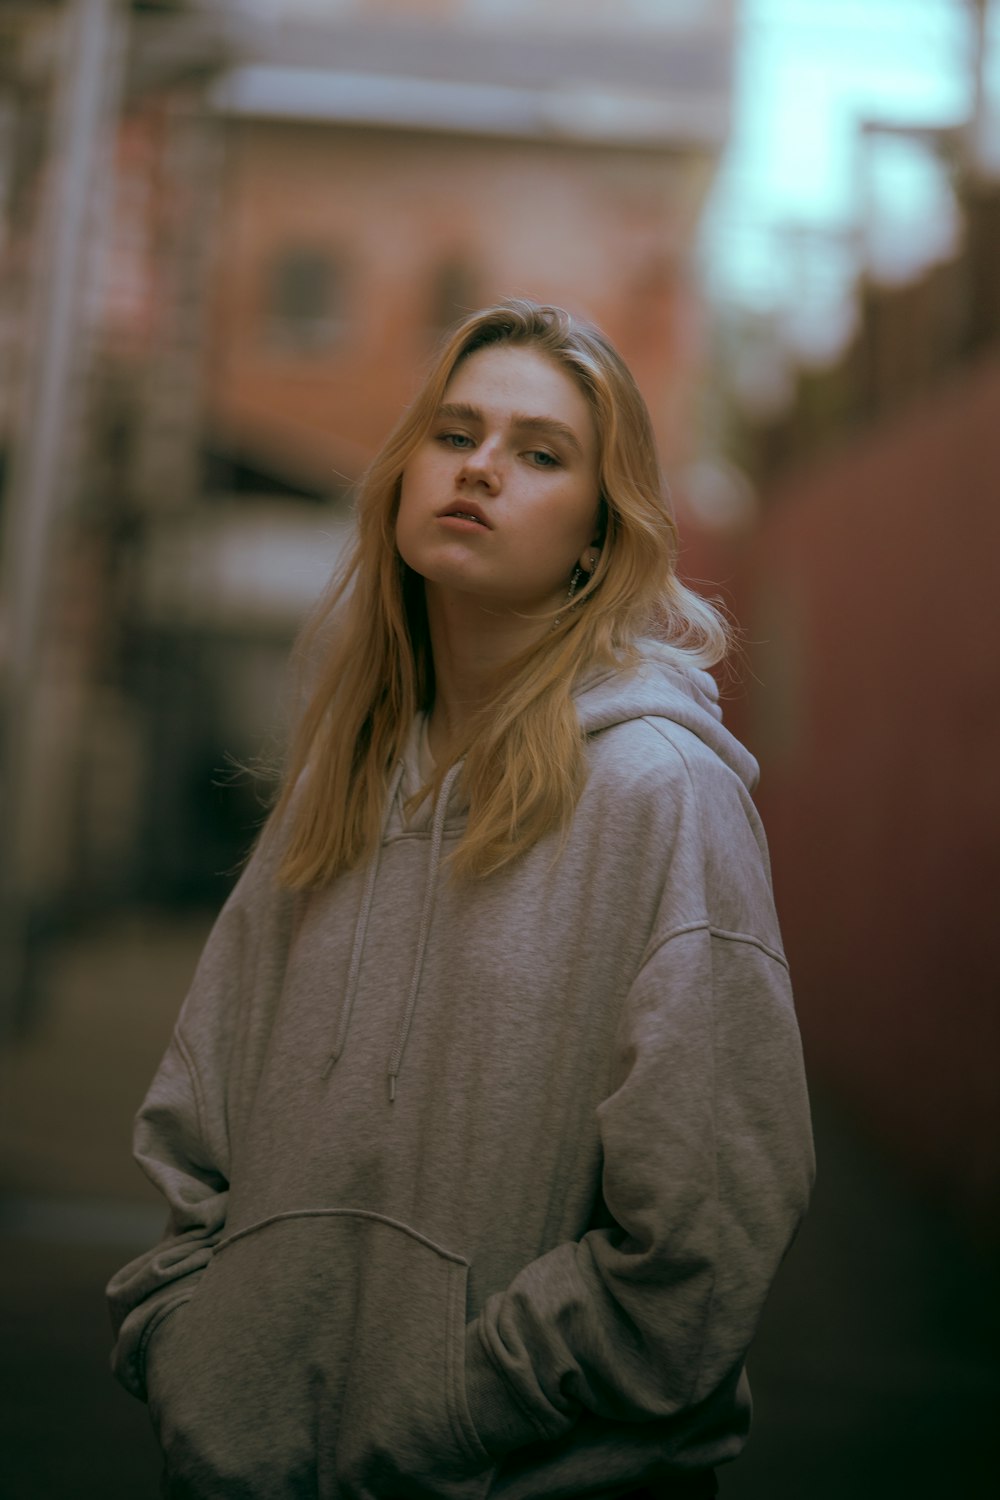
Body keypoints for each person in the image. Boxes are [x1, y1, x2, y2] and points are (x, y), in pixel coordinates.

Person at [107, 299, 813, 1500]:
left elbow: (708, 1226)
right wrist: (197, 1349)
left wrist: (455, 1400)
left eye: (539, 453)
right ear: (401, 479)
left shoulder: (658, 792)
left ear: (599, 532)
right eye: (455, 433)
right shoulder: (342, 786)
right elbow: (194, 1131)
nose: (481, 467)